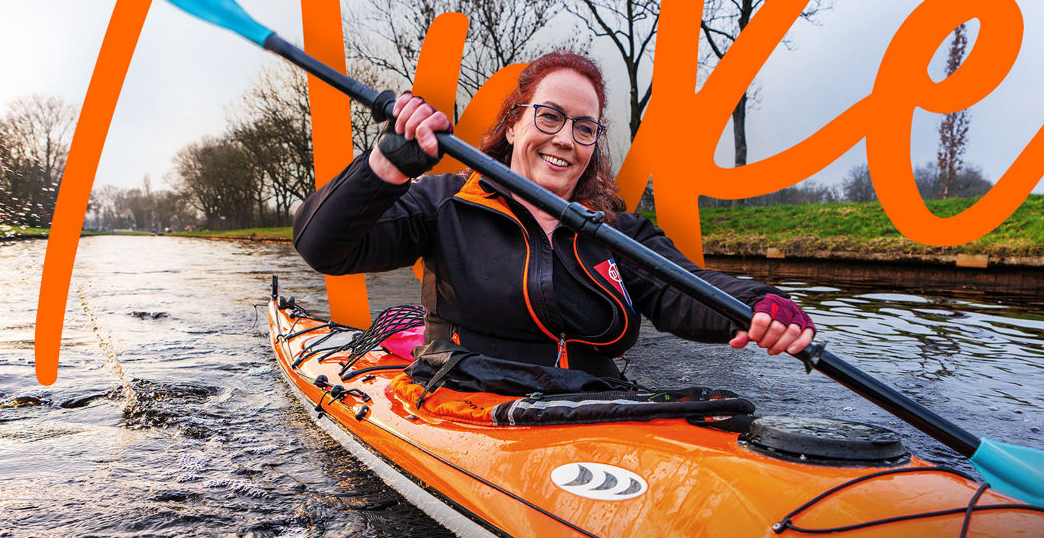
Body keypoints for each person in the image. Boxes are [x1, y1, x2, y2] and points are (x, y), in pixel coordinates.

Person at [293, 51, 815, 380]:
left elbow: (684, 289)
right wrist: (385, 164)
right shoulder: (442, 202)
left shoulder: (614, 230)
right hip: (468, 403)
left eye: (584, 128)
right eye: (550, 117)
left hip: (592, 406)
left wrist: (759, 304)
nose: (565, 139)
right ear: (514, 125)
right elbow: (323, 247)